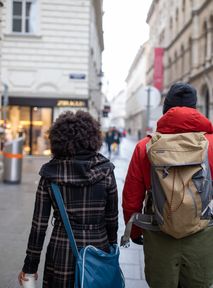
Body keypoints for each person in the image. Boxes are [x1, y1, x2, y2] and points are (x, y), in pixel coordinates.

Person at [122, 82, 213, 288]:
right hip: (203, 235)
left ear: (165, 109)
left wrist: (136, 231)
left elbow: (131, 199)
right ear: (195, 109)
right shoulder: (212, 144)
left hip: (158, 232)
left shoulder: (145, 147)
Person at [18, 110, 118, 287]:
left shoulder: (50, 174)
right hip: (97, 248)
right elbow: (112, 218)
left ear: (58, 139)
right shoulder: (106, 171)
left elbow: (38, 226)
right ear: (93, 138)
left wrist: (30, 266)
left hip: (62, 250)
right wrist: (111, 249)